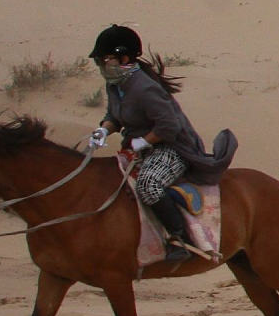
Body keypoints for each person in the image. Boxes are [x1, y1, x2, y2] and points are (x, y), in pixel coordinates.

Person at [87, 24, 237, 262]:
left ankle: (180, 239)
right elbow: (114, 115)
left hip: (171, 147)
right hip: (139, 146)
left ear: (124, 57)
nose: (101, 66)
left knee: (148, 184)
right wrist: (103, 130)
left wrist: (142, 143)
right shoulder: (116, 84)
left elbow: (169, 127)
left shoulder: (145, 88)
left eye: (105, 60)